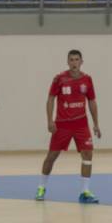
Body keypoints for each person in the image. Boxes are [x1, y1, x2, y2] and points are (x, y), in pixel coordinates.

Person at [36, 50, 101, 204]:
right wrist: (49, 120)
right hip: (62, 124)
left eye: (76, 59)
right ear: (67, 62)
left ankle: (85, 192)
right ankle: (41, 187)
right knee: (51, 156)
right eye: (71, 60)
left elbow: (92, 101)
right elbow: (50, 99)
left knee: (88, 155)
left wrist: (96, 124)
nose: (74, 62)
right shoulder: (59, 79)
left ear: (81, 62)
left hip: (81, 124)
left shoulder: (87, 79)